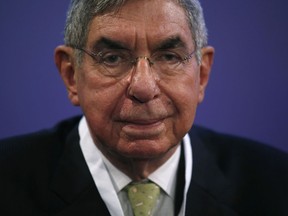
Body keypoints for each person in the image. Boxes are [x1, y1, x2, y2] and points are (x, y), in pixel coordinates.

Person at [0, 0, 287, 215]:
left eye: (169, 56)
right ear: (72, 75)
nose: (143, 88)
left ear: (201, 74)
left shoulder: (275, 183)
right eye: (112, 58)